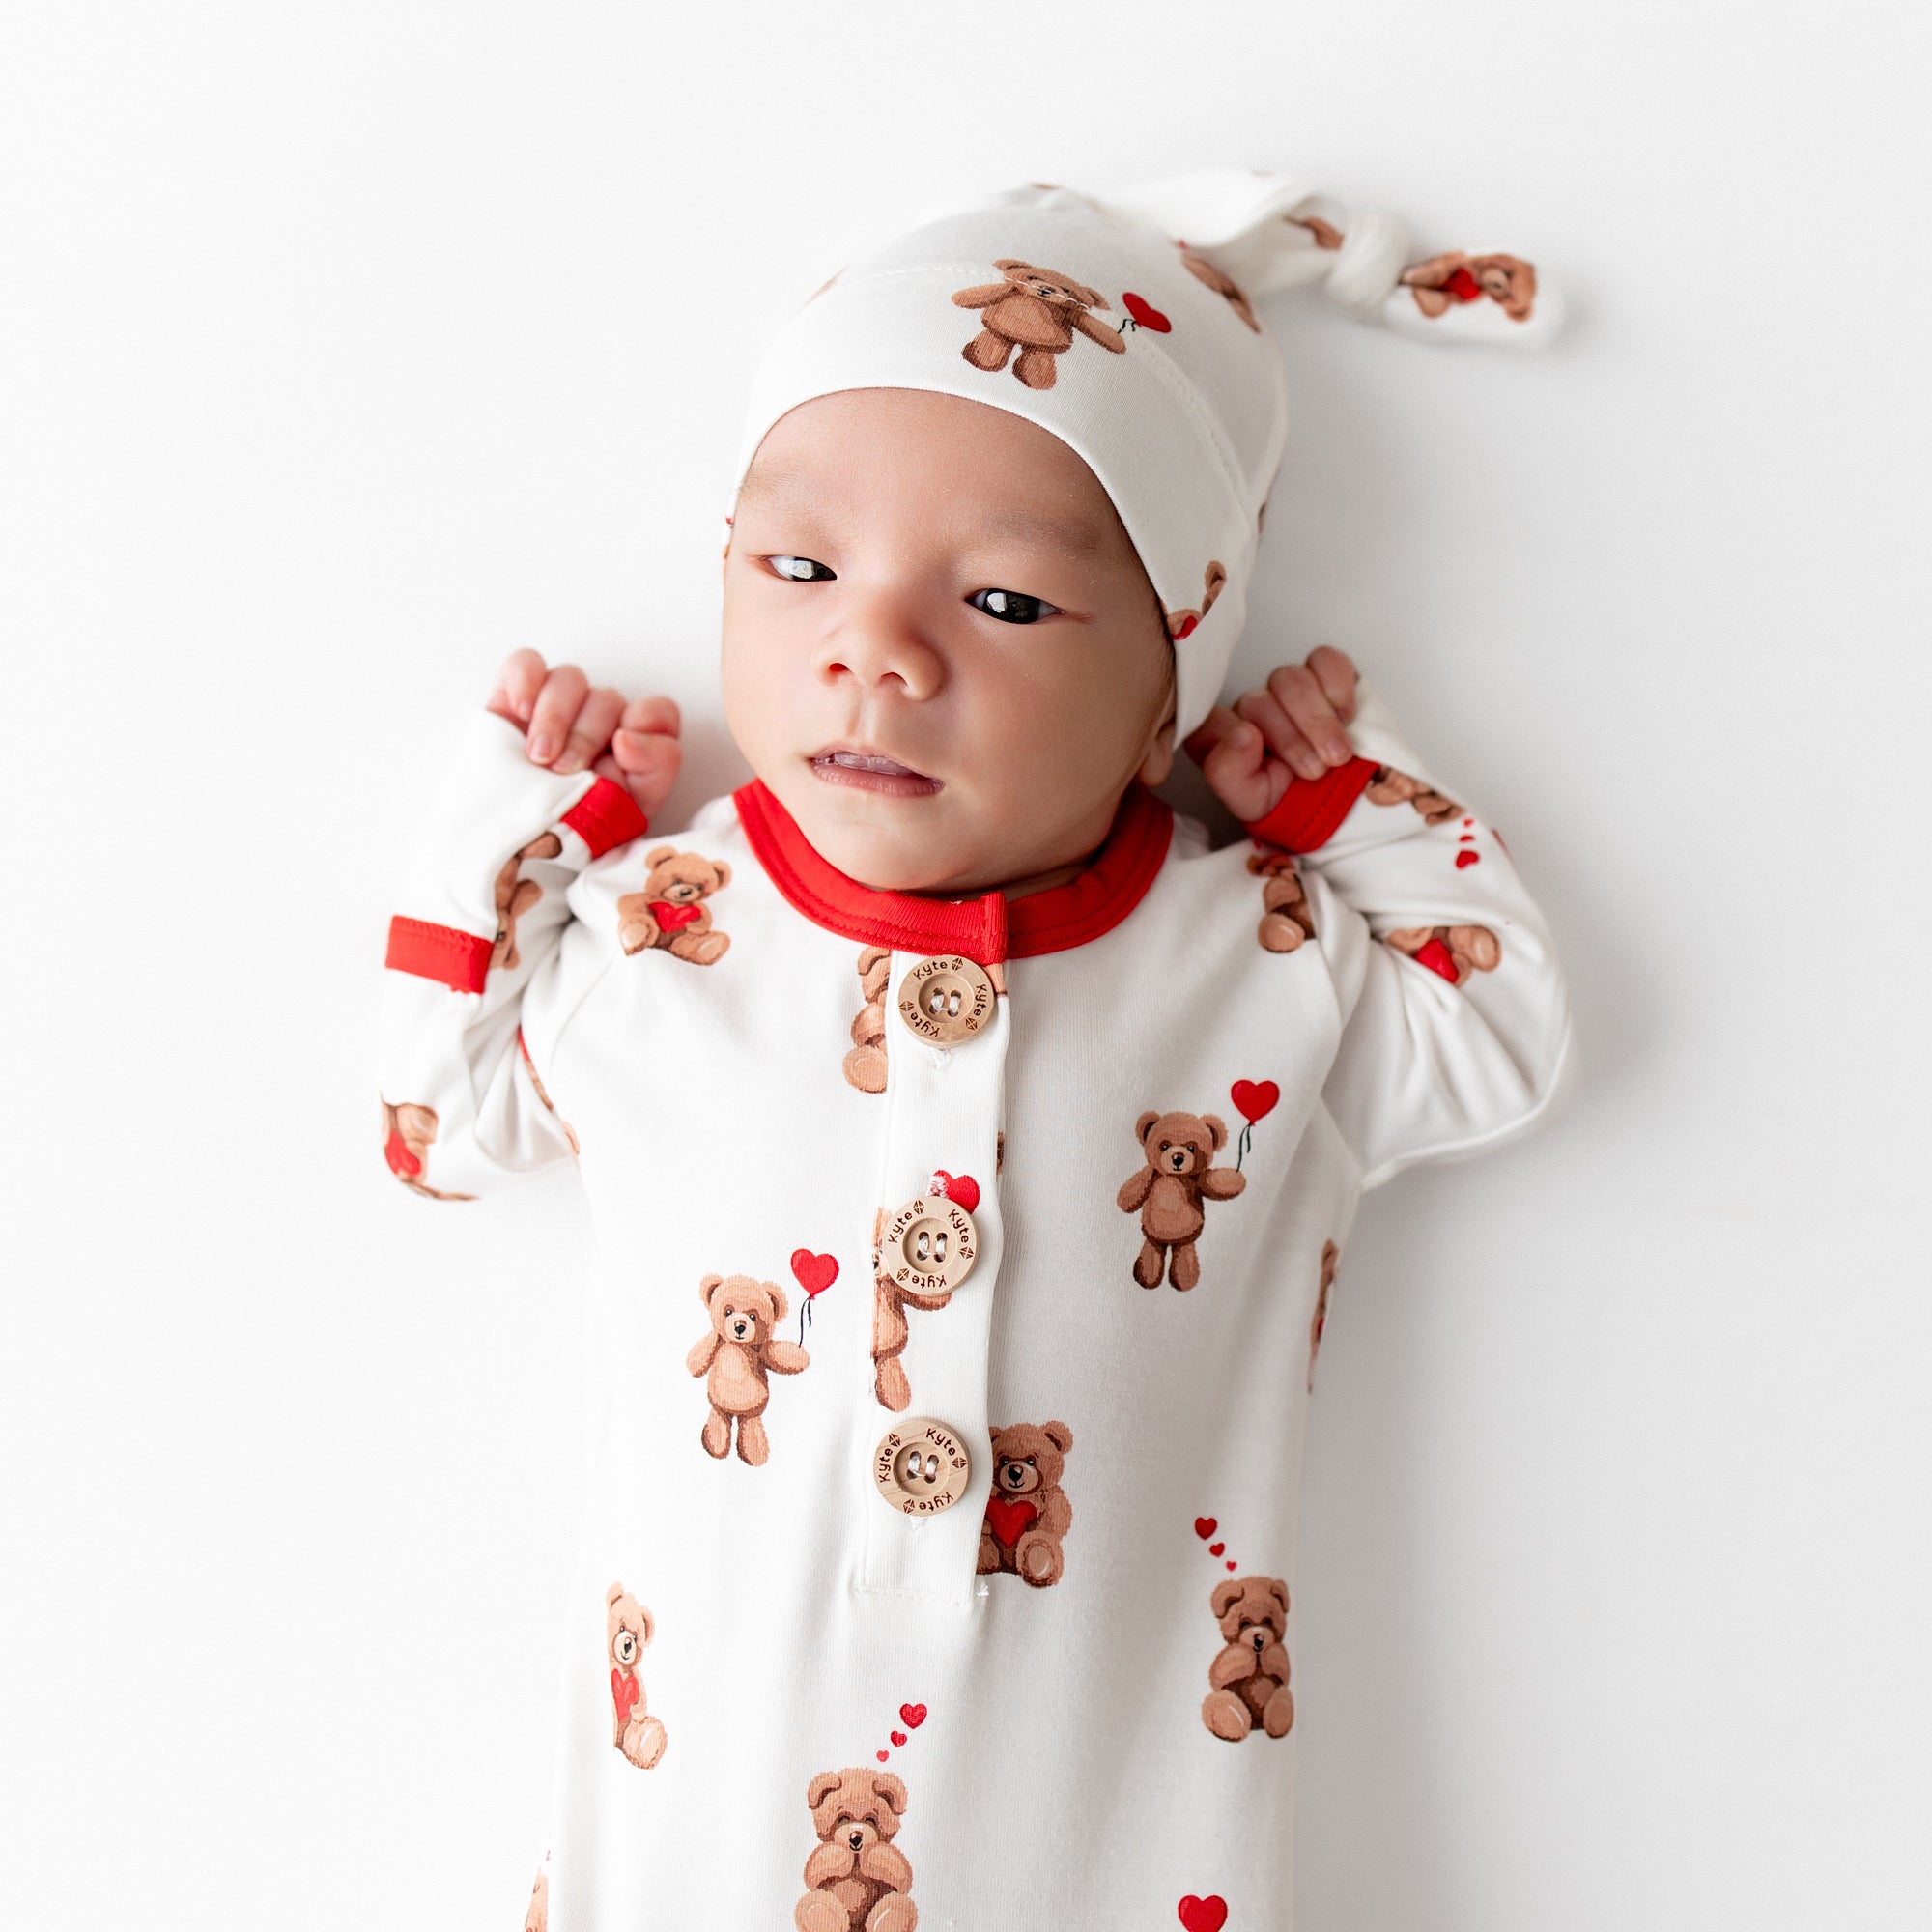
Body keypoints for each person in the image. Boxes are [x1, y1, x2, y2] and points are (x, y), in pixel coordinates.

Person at [378, 171, 1572, 1932]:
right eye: (801, 570)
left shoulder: (1261, 958)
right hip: (690, 1849)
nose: (874, 648)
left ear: (1165, 692)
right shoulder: (654, 939)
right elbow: (436, 1123)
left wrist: (1349, 803)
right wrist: (520, 828)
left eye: (1005, 604)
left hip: (1123, 1840)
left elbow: (1500, 1036)